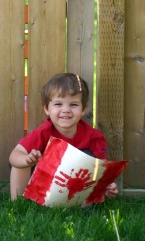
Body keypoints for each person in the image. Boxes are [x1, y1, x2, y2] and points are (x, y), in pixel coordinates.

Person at [9, 73, 119, 201]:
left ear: (83, 109)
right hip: (42, 184)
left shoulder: (93, 137)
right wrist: (27, 159)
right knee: (20, 162)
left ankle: (79, 205)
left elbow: (101, 170)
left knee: (88, 158)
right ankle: (18, 203)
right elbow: (14, 155)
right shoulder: (44, 132)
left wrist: (107, 185)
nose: (66, 110)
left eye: (73, 105)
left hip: (73, 187)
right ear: (46, 109)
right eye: (58, 104)